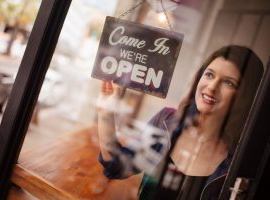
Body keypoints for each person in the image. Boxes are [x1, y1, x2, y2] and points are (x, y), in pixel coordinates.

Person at [96, 45, 264, 199]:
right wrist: (105, 112)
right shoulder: (166, 121)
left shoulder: (240, 160)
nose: (212, 87)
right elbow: (116, 167)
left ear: (245, 96)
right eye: (209, 74)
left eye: (228, 82)